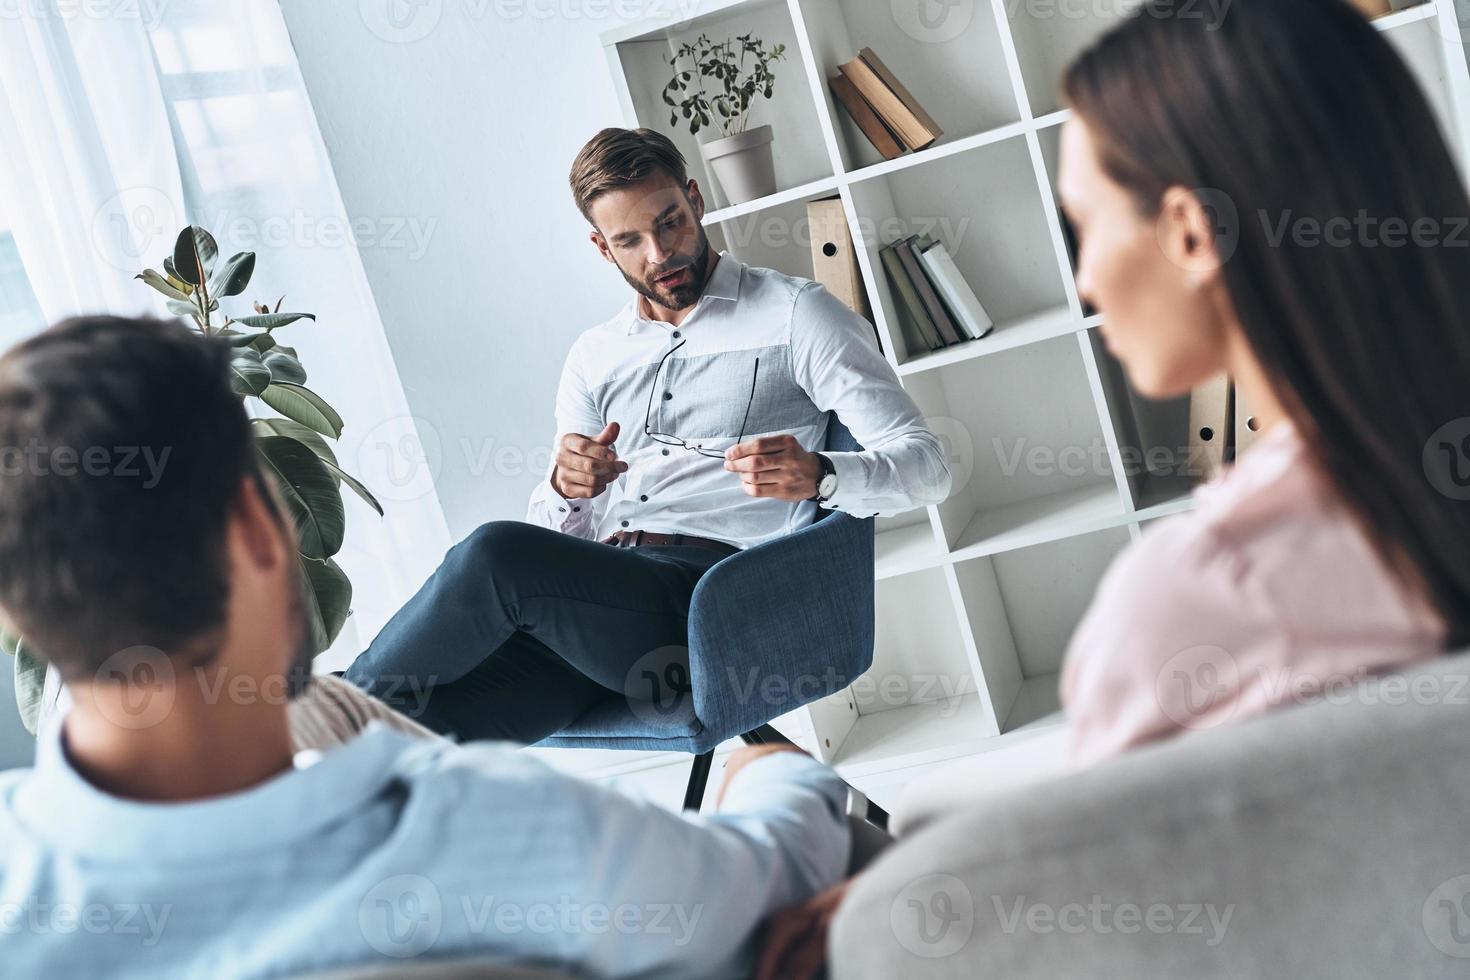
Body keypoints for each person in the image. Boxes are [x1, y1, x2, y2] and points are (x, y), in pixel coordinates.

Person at [757, 0, 1470, 974]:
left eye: (1084, 225)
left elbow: (1091, 868)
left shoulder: (1207, 586)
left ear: (1189, 232)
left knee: (781, 791)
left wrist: (880, 907)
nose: (1084, 280)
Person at [0, 315, 851, 979]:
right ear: (261, 531)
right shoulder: (500, 827)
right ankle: (361, 700)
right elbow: (770, 880)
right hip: (604, 611)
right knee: (482, 584)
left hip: (701, 594)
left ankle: (360, 700)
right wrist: (778, 772)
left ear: (16, 614)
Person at [344, 127, 950, 744]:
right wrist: (565, 488)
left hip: (710, 612)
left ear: (695, 198)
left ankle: (329, 710)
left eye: (670, 223)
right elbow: (557, 536)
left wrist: (822, 476)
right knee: (416, 728)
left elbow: (929, 468)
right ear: (602, 248)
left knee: (493, 554)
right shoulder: (594, 356)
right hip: (601, 614)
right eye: (629, 240)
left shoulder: (796, 314)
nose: (659, 255)